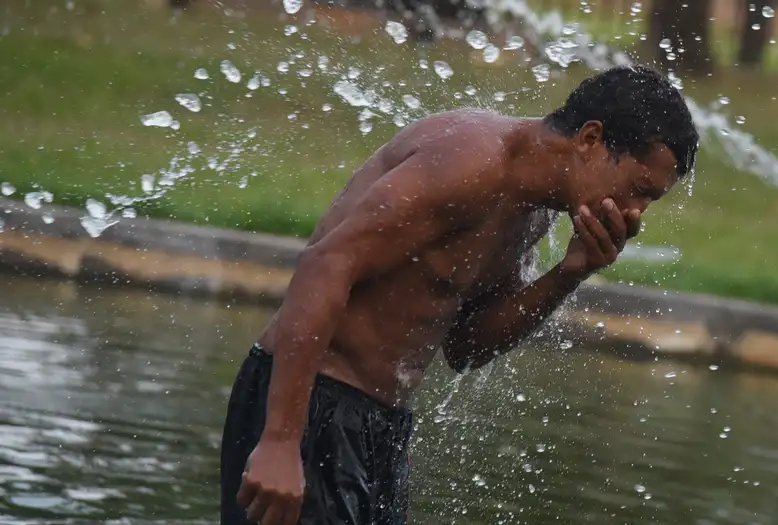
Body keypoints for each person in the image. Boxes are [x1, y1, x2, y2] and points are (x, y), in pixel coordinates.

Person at [219, 64, 700, 525]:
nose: (636, 214)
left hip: (379, 425)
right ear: (590, 140)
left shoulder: (535, 207)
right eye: (639, 189)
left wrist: (569, 273)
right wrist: (281, 439)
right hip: (307, 403)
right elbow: (326, 264)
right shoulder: (471, 160)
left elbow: (467, 348)